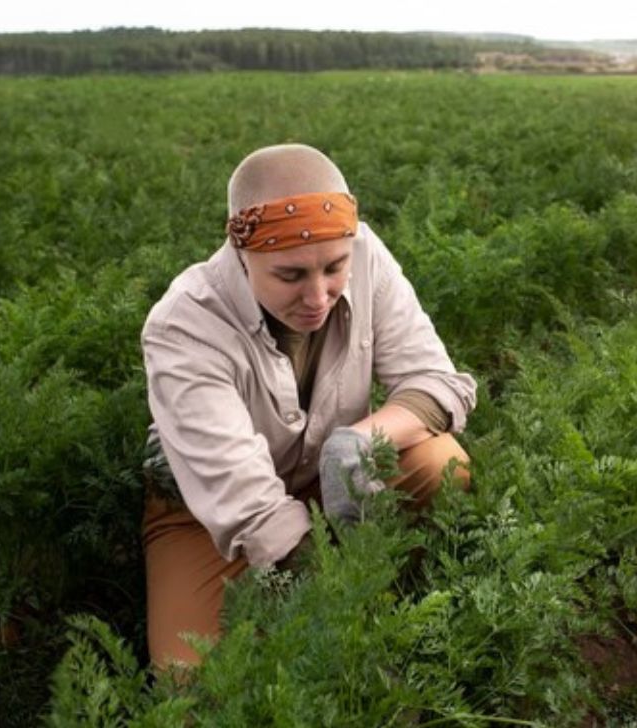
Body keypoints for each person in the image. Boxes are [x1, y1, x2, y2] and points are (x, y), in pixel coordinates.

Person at [139, 144, 477, 669]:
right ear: (240, 252)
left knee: (440, 463)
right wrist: (347, 608)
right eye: (291, 276)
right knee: (194, 684)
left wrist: (359, 442)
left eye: (334, 268)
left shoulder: (365, 255)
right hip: (206, 516)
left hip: (324, 476)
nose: (318, 296)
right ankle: (343, 600)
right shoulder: (184, 326)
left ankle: (399, 587)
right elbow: (246, 505)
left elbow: (437, 382)